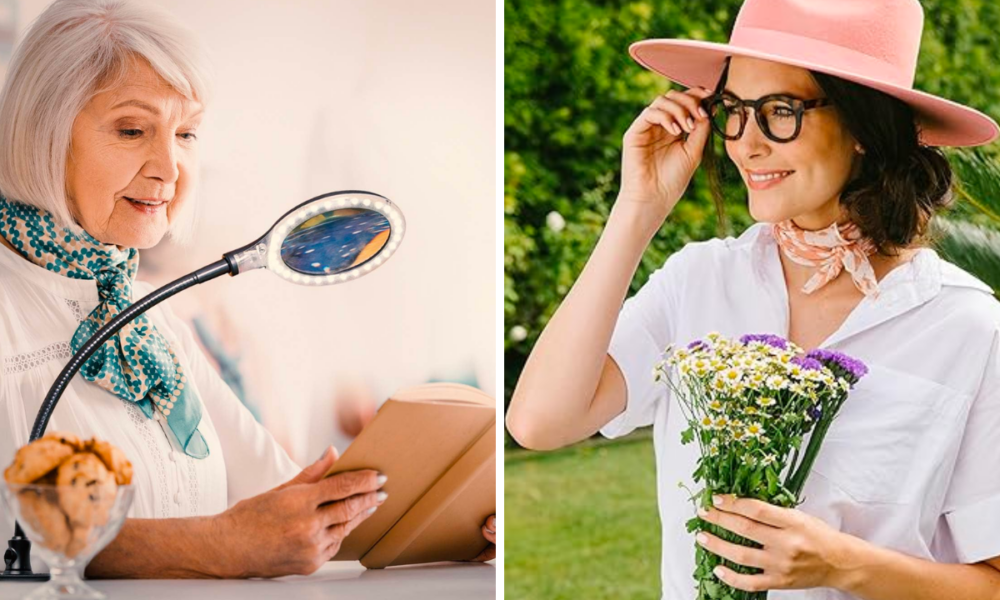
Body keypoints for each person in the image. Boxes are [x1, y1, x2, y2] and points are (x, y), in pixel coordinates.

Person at [506, 0, 1000, 598]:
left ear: (866, 129)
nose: (746, 144)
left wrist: (842, 564)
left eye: (781, 112)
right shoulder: (700, 280)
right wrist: (638, 211)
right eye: (734, 111)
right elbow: (539, 422)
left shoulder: (967, 326)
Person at [0, 0, 494, 578]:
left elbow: (285, 502)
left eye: (186, 133)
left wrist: (445, 519)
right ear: (43, 134)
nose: (169, 166)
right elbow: (15, 541)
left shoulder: (153, 324)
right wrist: (209, 546)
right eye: (132, 130)